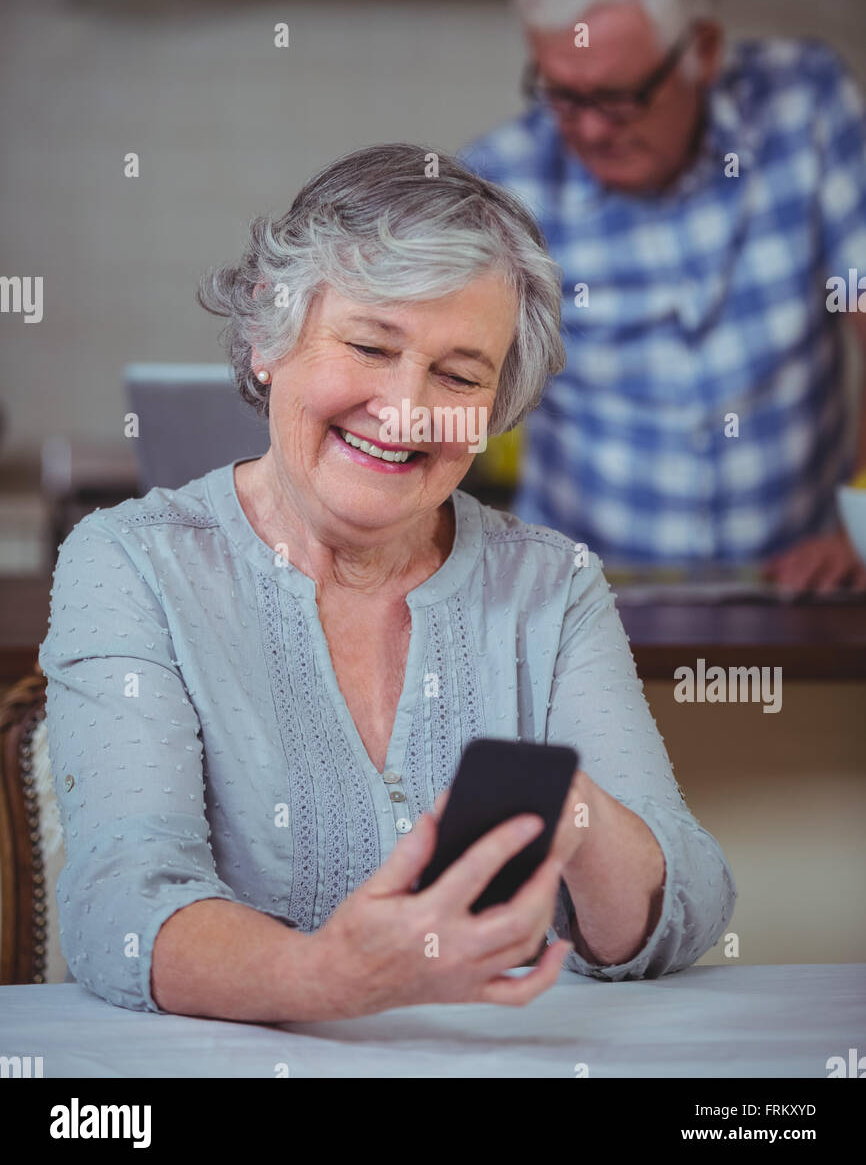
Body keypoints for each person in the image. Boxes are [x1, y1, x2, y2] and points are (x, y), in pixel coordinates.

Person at [40, 144, 735, 1023]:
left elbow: (690, 909)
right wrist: (326, 977)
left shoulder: (551, 584)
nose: (407, 410)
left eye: (458, 374)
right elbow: (121, 911)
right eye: (371, 344)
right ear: (268, 333)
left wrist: (580, 818)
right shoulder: (132, 561)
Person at [459, 0, 866, 592]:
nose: (588, 130)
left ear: (702, 52)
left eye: (618, 97)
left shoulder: (808, 102)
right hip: (582, 591)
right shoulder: (503, 178)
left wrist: (864, 521)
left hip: (797, 587)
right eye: (562, 96)